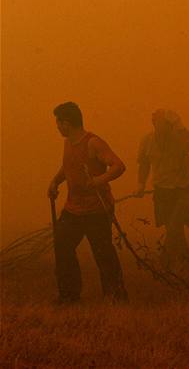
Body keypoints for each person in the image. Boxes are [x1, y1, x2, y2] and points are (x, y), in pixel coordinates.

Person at [47, 101, 128, 304]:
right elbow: (68, 167)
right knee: (62, 245)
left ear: (67, 123)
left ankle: (116, 297)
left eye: (58, 122)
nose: (57, 126)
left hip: (96, 209)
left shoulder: (93, 142)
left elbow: (118, 166)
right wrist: (55, 181)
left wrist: (98, 181)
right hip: (73, 208)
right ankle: (69, 296)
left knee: (103, 254)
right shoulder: (68, 143)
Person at [135, 109, 189, 265]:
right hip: (162, 190)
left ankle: (164, 261)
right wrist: (140, 184)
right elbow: (144, 164)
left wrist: (181, 126)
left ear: (171, 126)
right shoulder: (147, 141)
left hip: (184, 188)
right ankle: (187, 259)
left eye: (167, 124)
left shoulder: (181, 137)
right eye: (159, 123)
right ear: (154, 123)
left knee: (175, 224)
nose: (162, 127)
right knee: (172, 225)